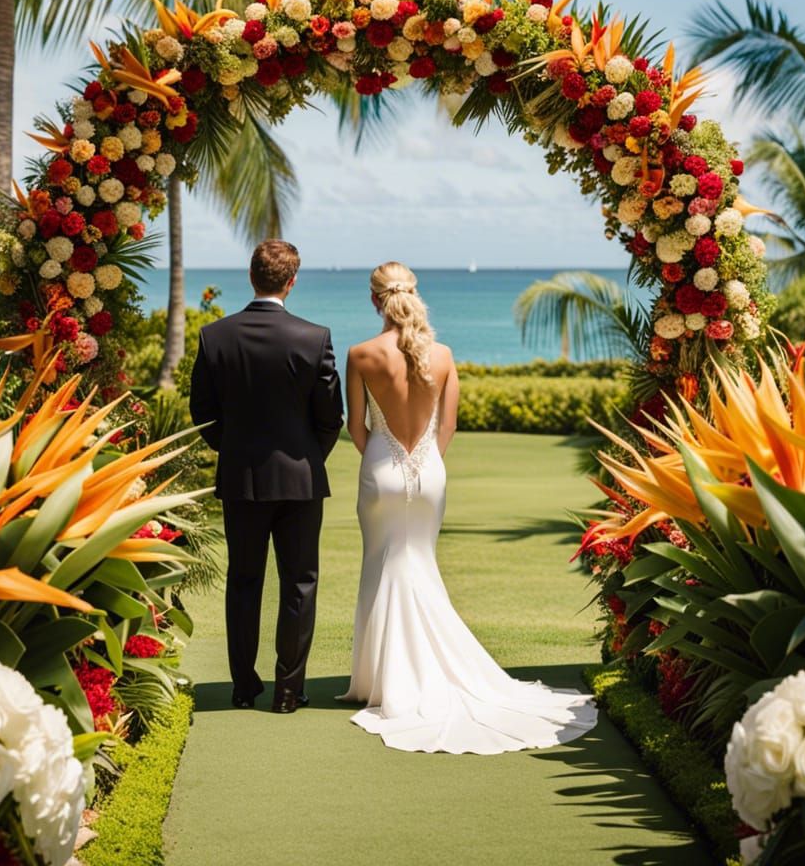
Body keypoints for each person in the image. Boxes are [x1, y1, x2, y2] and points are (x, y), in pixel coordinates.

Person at [338, 261, 598, 753]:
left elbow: (356, 427)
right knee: (418, 563)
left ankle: (379, 683)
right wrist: (423, 464)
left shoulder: (360, 354)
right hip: (430, 470)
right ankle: (414, 676)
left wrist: (385, 461)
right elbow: (448, 426)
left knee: (382, 564)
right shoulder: (443, 354)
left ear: (375, 300)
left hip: (381, 468)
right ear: (415, 294)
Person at [189, 240, 344, 714]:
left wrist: (234, 451)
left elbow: (203, 414)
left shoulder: (215, 336)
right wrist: (305, 459)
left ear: (251, 275)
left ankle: (241, 687)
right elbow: (330, 418)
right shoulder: (313, 337)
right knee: (299, 583)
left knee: (243, 582)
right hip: (301, 483)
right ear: (291, 281)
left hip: (240, 480)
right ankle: (287, 691)